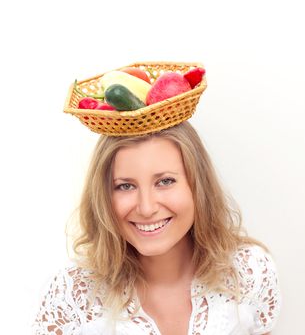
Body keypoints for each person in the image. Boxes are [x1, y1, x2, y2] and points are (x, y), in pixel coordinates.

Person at [32, 121, 281, 335]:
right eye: (125, 186)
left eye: (165, 181)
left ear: (197, 187)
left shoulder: (249, 272)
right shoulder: (71, 296)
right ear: (104, 197)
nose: (147, 207)